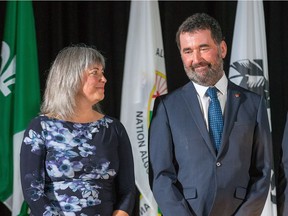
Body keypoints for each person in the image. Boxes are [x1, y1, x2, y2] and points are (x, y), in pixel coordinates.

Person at [149, 13, 272, 216]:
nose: (196, 59)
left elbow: (263, 171)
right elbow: (161, 176)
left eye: (203, 48)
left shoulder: (253, 103)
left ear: (222, 49)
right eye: (187, 51)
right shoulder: (167, 107)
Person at [20, 45, 135, 216]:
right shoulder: (41, 127)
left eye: (102, 72)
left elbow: (127, 189)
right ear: (70, 77)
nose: (103, 79)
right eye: (94, 72)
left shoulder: (113, 128)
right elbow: (33, 191)